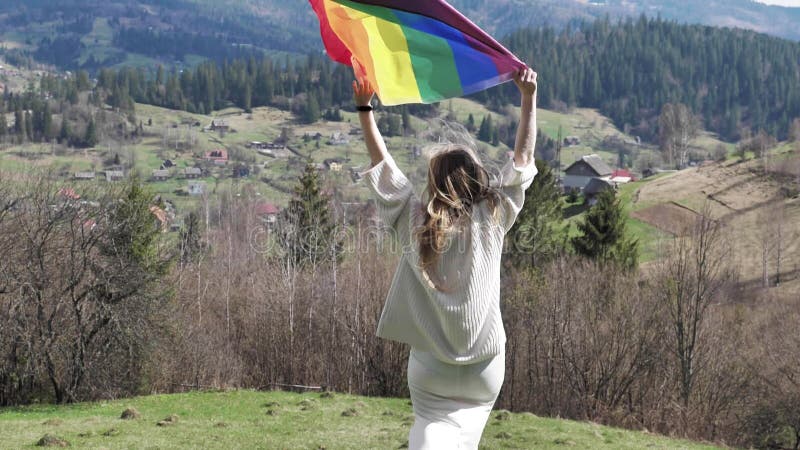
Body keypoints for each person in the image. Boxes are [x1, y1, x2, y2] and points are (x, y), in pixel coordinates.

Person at [354, 67, 538, 450]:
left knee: (428, 437)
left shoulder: (414, 221)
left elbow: (382, 167)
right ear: (476, 178)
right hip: (486, 369)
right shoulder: (494, 214)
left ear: (434, 183)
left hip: (431, 370)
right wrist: (528, 97)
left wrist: (364, 109)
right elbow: (522, 158)